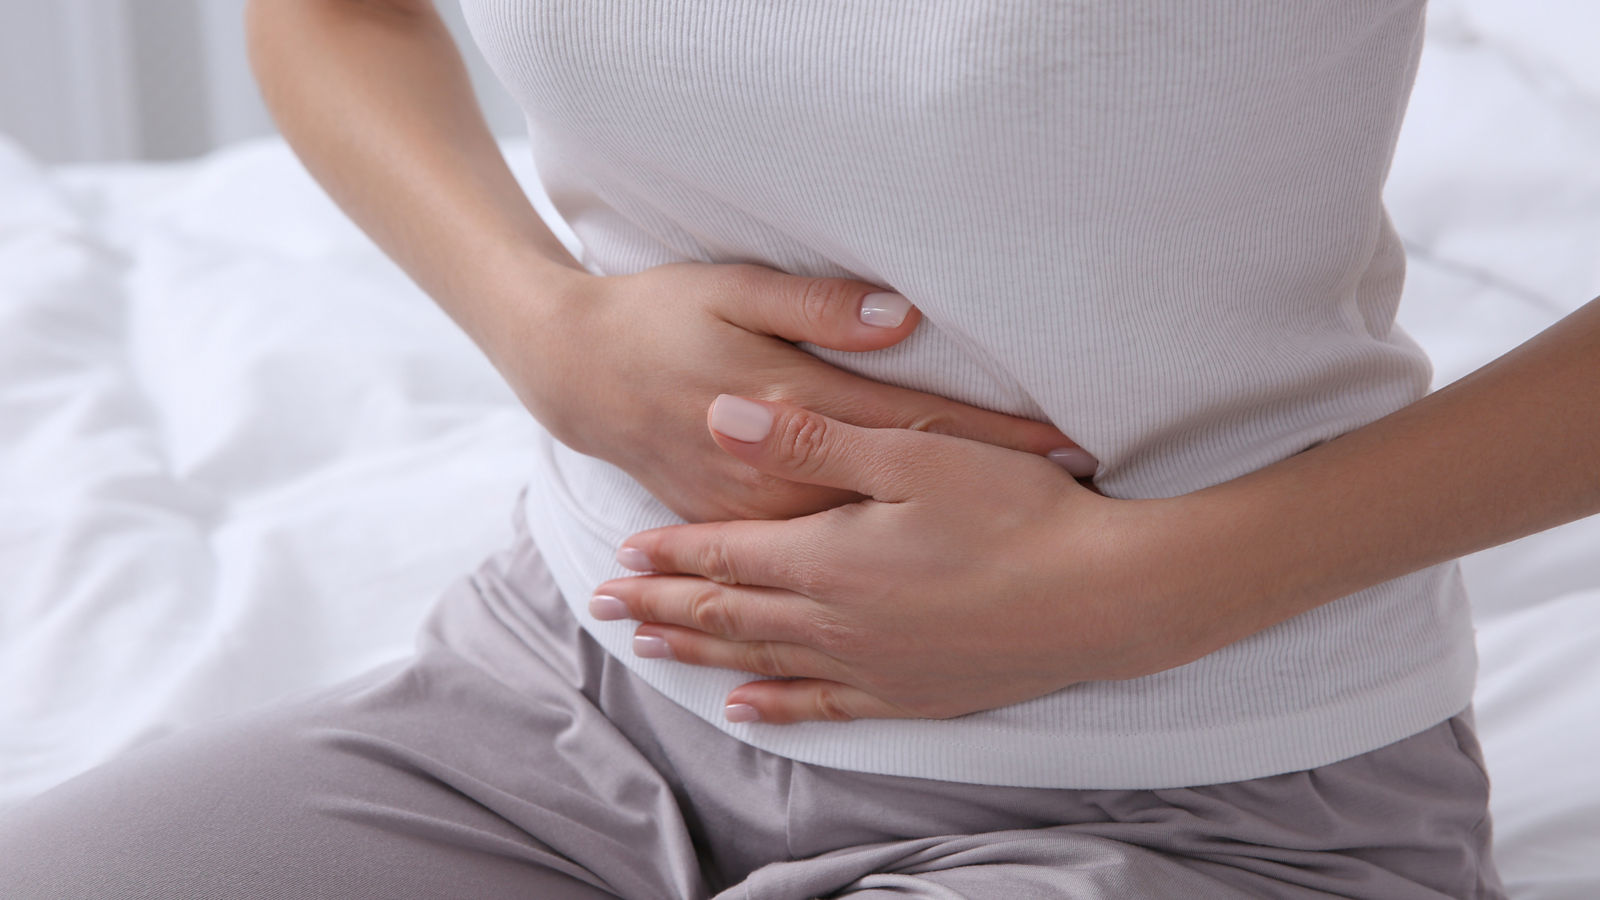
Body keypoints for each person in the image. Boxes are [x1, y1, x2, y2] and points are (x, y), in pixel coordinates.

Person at [8, 0, 1596, 895]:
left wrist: (1157, 591)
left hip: (1197, 795)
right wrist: (544, 329)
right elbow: (332, 15)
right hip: (565, 692)